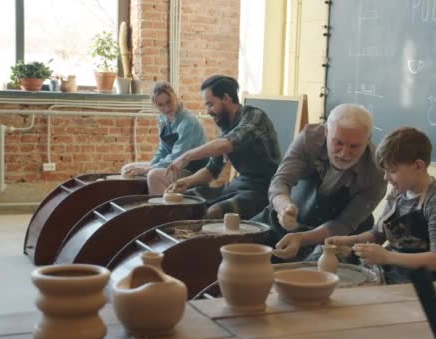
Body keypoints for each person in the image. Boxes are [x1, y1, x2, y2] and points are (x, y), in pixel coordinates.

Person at [327, 127, 436, 284]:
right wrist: (346, 241)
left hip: (425, 289)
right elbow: (377, 234)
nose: (386, 177)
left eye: (392, 171)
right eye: (384, 171)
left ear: (418, 166)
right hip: (389, 278)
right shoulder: (398, 194)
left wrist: (387, 257)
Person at [253, 104, 387, 262]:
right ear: (326, 132)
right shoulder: (309, 139)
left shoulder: (377, 172)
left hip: (337, 234)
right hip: (293, 215)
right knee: (238, 241)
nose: (344, 153)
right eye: (338, 143)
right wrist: (284, 208)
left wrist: (301, 238)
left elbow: (343, 224)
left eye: (354, 146)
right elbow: (280, 182)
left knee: (313, 270)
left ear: (368, 140)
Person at [165, 75, 282, 219]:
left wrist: (186, 156)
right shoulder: (226, 127)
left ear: (226, 98)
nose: (208, 111)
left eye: (210, 104)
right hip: (241, 185)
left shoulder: (255, 117)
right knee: (186, 199)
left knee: (214, 212)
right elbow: (212, 170)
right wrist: (186, 182)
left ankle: (208, 240)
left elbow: (228, 143)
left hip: (265, 189)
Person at [121, 81, 207, 194]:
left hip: (191, 170)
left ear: (175, 97)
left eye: (169, 102)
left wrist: (148, 169)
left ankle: (161, 209)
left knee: (153, 175)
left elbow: (179, 156)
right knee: (128, 169)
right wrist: (151, 165)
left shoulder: (188, 122)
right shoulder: (163, 119)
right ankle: (142, 205)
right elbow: (163, 150)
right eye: (161, 105)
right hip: (172, 165)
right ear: (155, 105)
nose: (166, 108)